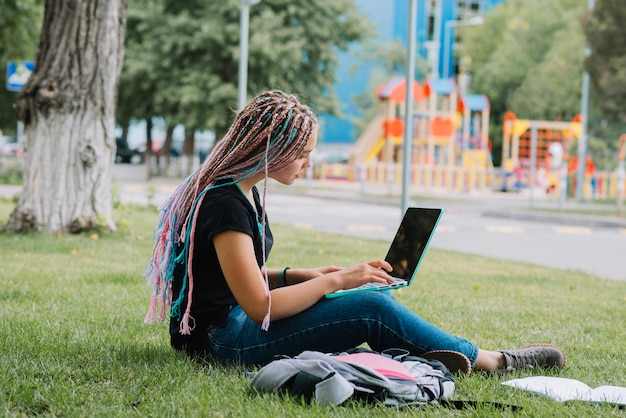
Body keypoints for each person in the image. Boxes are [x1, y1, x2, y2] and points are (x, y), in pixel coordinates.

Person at [144, 90, 565, 374]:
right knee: (369, 306)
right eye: (303, 155)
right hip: (222, 341)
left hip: (227, 325)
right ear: (273, 149)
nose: (308, 163)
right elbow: (257, 306)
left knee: (362, 317)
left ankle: (430, 357)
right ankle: (493, 361)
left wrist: (300, 275)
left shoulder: (240, 192)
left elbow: (236, 278)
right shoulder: (225, 201)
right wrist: (337, 280)